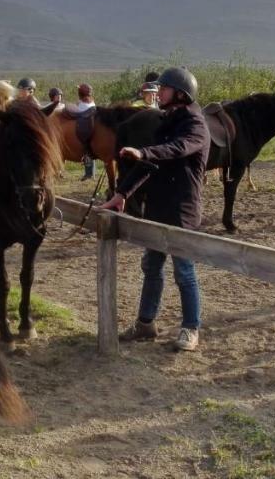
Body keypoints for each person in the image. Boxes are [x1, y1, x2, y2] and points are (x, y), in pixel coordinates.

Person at [98, 67, 208, 352]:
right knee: (151, 266)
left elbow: (177, 149)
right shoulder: (165, 121)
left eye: (165, 88)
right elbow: (147, 164)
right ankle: (146, 324)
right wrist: (121, 193)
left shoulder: (196, 124)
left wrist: (145, 152)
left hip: (182, 212)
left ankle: (191, 329)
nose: (159, 93)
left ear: (181, 94)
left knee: (184, 271)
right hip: (158, 209)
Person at [77, 83, 97, 180]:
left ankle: (89, 174)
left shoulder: (83, 104)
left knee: (87, 150)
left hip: (86, 129)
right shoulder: (91, 102)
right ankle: (90, 173)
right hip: (92, 128)